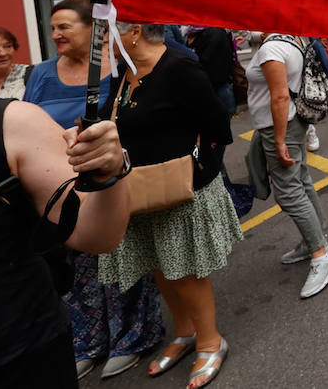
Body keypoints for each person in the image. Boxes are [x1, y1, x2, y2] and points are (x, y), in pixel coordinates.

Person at [0, 0, 132, 388]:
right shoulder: (43, 74)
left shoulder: (8, 125)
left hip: (18, 363)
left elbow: (96, 236)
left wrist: (109, 172)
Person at [24, 0, 164, 378]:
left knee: (122, 260)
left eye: (65, 26)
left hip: (110, 181)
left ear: (93, 29)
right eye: (52, 28)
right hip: (60, 185)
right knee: (79, 271)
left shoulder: (120, 68)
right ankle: (88, 340)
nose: (56, 35)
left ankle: (132, 336)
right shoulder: (41, 74)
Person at [100, 22, 241, 386]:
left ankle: (211, 342)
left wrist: (193, 166)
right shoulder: (124, 75)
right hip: (137, 191)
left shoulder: (179, 67)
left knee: (189, 271)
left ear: (131, 33)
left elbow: (218, 124)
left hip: (178, 191)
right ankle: (185, 332)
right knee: (158, 266)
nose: (103, 41)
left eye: (106, 33)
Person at [245, 32, 328, 298]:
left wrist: (278, 140)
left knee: (288, 192)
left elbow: (279, 97)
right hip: (294, 122)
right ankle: (314, 237)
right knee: (301, 180)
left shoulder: (271, 48)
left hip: (280, 124)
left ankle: (321, 255)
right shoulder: (292, 37)